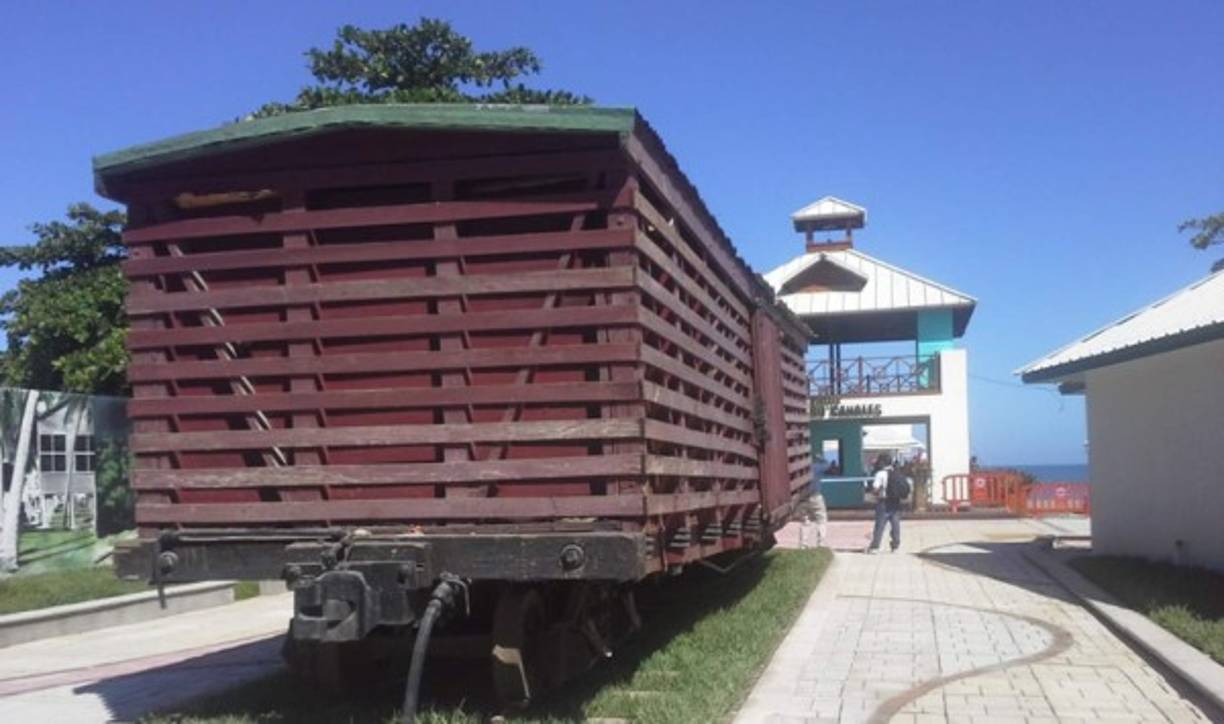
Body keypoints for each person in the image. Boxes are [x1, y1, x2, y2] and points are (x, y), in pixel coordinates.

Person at [864, 453, 906, 554]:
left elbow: (875, 488)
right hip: (896, 502)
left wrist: (873, 493)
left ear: (882, 462)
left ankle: (875, 547)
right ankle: (895, 545)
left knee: (880, 525)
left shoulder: (880, 474)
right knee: (895, 524)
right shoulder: (897, 472)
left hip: (884, 502)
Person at [797, 466, 828, 549]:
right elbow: (827, 465)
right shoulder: (816, 467)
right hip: (815, 496)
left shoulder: (798, 469)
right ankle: (821, 544)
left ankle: (803, 545)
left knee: (805, 521)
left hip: (802, 497)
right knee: (821, 519)